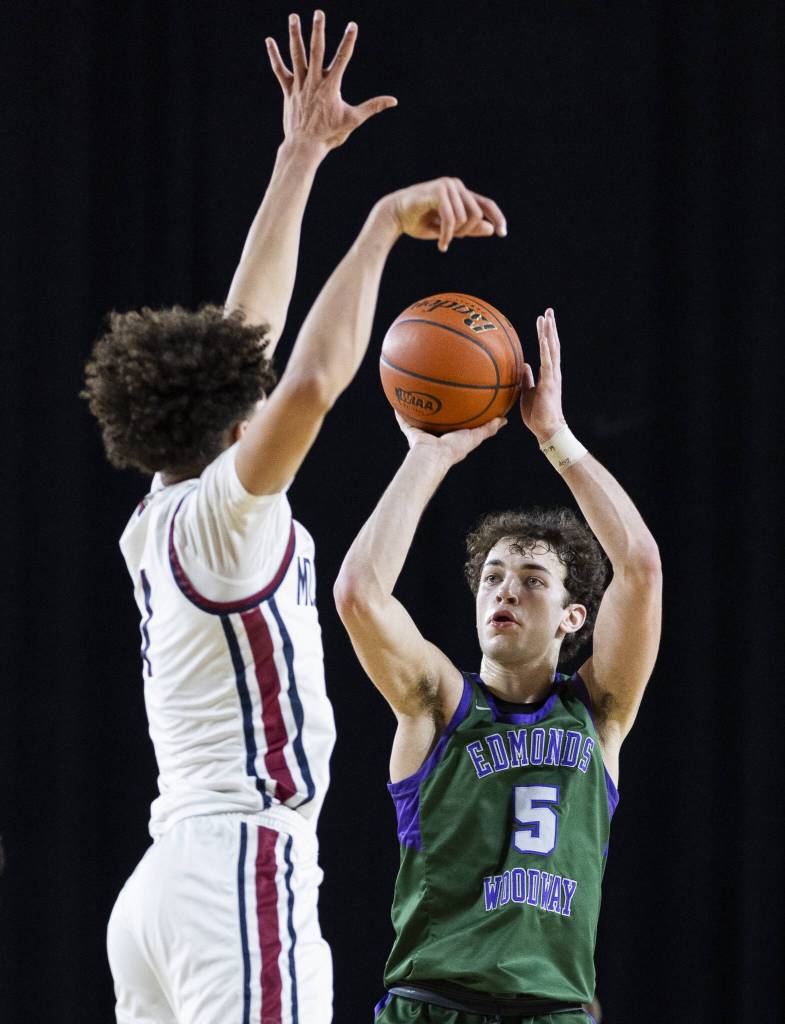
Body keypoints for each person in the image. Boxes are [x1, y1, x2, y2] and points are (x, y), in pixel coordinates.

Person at [81, 10, 506, 1024]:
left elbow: (249, 333)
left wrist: (299, 155)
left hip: (160, 891)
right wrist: (377, 227)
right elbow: (308, 380)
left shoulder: (164, 508)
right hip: (236, 861)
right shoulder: (224, 514)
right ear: (233, 416)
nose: (254, 378)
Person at [334, 308, 662, 1023]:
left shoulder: (598, 713)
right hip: (431, 1005)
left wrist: (556, 439)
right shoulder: (435, 706)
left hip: (553, 1010)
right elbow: (358, 593)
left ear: (573, 617)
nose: (506, 588)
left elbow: (637, 567)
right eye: (492, 576)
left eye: (533, 578)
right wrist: (426, 457)